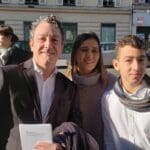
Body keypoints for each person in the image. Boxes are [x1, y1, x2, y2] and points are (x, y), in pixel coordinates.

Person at [0, 15, 86, 150]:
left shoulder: (69, 88)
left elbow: (75, 128)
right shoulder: (8, 76)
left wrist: (62, 145)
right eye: (42, 39)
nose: (48, 45)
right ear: (31, 44)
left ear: (62, 46)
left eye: (54, 40)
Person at [65, 32, 116, 149]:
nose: (89, 55)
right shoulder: (65, 84)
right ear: (75, 54)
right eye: (84, 50)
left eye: (94, 51)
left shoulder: (113, 83)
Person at [102, 35, 150, 150]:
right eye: (129, 60)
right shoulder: (108, 100)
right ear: (116, 65)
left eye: (141, 60)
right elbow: (109, 140)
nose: (136, 67)